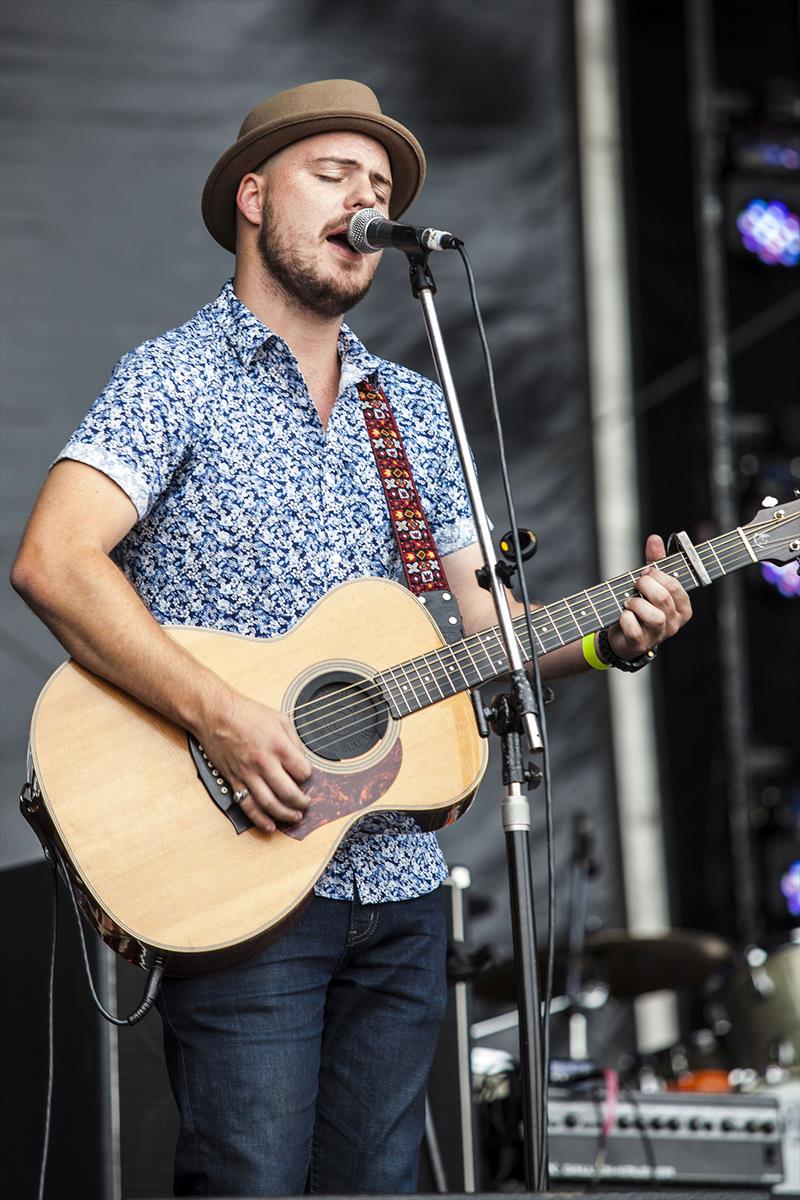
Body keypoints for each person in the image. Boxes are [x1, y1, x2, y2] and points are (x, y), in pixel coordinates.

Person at [11, 80, 692, 1197]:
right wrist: (222, 717)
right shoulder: (173, 378)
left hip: (401, 880)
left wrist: (609, 639)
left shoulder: (411, 409)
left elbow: (485, 627)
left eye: (379, 189)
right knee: (249, 1180)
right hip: (243, 868)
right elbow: (54, 561)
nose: (365, 201)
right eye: (334, 175)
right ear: (251, 197)